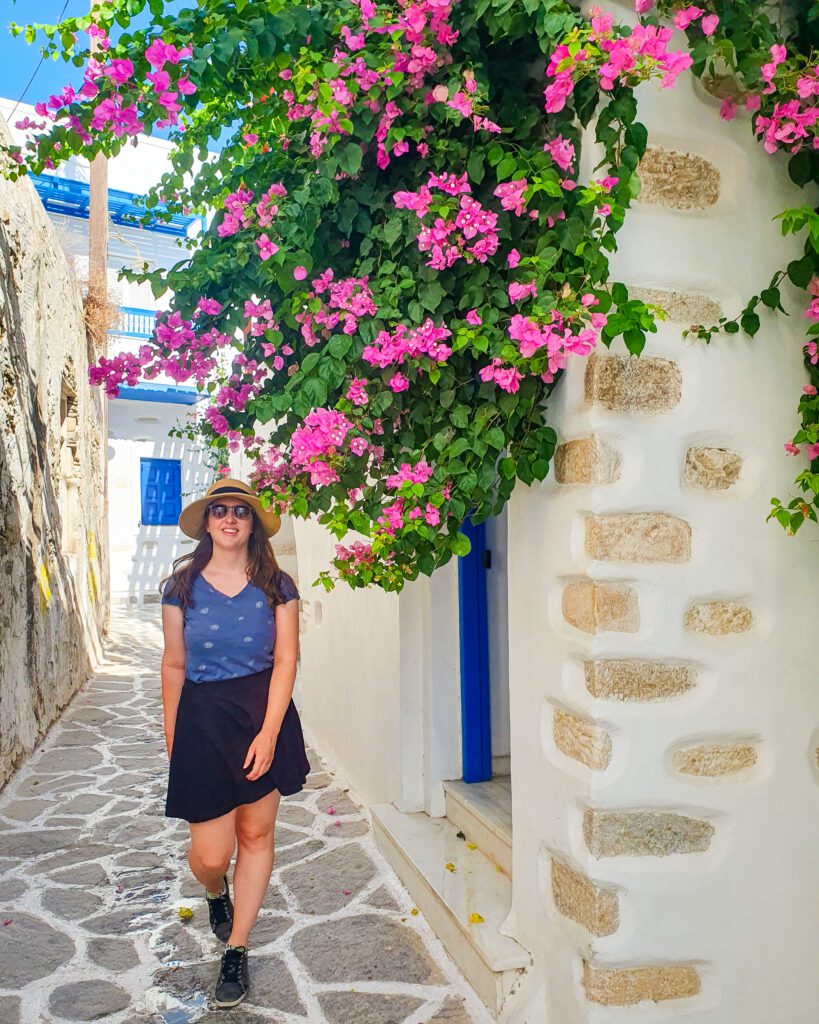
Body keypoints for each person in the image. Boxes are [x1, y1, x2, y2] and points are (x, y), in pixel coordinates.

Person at [159, 478, 310, 1009]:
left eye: (240, 512)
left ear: (251, 523)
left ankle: (237, 948)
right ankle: (213, 891)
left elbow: (287, 660)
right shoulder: (180, 588)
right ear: (206, 523)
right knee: (209, 853)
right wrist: (174, 737)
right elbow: (175, 664)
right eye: (219, 511)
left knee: (255, 833)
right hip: (203, 719)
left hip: (260, 712)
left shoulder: (277, 585)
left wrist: (270, 733)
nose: (229, 519)